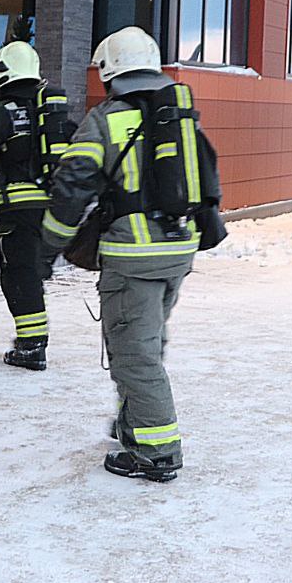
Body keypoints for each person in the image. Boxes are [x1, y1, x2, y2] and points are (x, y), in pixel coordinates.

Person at [40, 27, 222, 483]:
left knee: (135, 357)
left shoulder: (106, 119)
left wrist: (49, 244)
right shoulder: (179, 114)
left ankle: (158, 453)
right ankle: (134, 425)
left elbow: (72, 186)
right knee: (146, 342)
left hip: (133, 256)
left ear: (110, 72)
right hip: (177, 251)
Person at [0, 41, 72, 370]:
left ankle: (32, 346)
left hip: (18, 210)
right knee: (31, 273)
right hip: (52, 208)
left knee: (18, 275)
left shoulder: (1, 113)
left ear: (2, 72)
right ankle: (32, 342)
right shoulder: (52, 113)